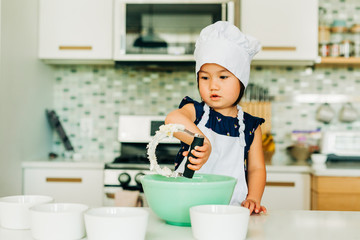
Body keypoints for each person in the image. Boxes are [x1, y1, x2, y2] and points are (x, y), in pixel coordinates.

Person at [165, 21, 267, 214]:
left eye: (223, 77)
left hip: (231, 212)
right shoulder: (196, 111)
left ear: (241, 80)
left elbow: (256, 169)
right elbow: (172, 119)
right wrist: (201, 142)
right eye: (204, 78)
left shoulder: (251, 125)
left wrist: (253, 197)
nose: (213, 85)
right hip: (187, 208)